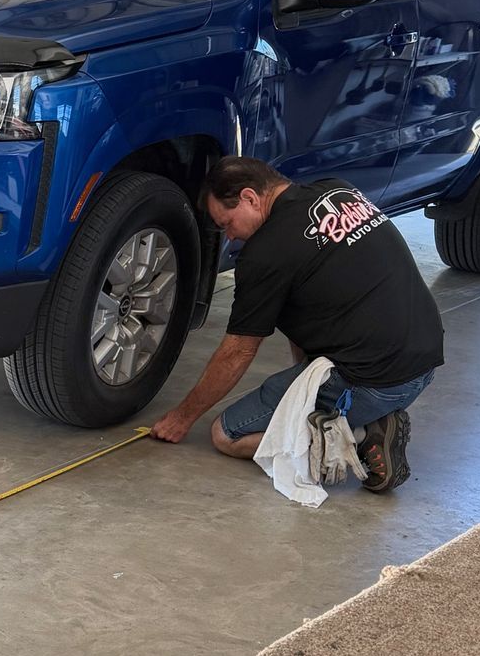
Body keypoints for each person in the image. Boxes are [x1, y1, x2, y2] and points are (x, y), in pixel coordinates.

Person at [149, 156, 444, 492]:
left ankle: (364, 438)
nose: (229, 236)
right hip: (425, 359)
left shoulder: (265, 253)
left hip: (378, 380)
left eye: (227, 223)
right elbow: (303, 314)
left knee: (228, 434)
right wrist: (302, 392)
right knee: (301, 390)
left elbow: (238, 351)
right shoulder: (338, 192)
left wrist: (181, 418)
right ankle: (366, 415)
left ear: (249, 197)